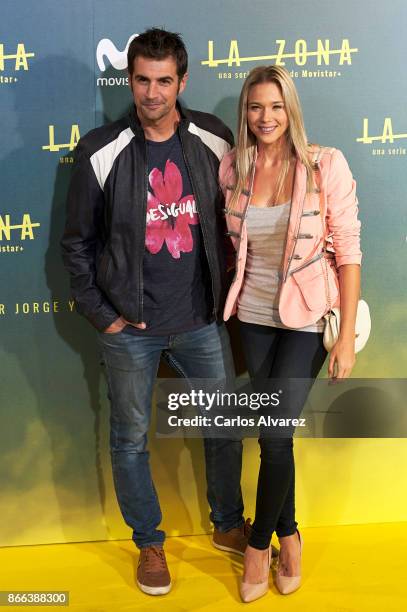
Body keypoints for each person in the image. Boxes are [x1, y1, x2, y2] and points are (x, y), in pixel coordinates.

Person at [61, 28, 249, 597]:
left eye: (164, 80)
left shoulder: (213, 139)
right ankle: (149, 542)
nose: (152, 92)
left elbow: (240, 221)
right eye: (141, 79)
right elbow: (76, 245)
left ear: (182, 81)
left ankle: (226, 525)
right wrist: (106, 317)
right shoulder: (100, 150)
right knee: (129, 439)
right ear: (130, 80)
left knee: (223, 429)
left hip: (201, 320)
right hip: (130, 330)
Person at [219, 65, 362, 602]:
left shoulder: (325, 165)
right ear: (245, 111)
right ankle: (291, 534)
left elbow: (348, 252)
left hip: (305, 319)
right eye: (256, 107)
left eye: (276, 106)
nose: (265, 117)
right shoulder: (232, 167)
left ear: (291, 109)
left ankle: (259, 547)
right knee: (276, 436)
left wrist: (345, 336)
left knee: (275, 434)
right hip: (253, 317)